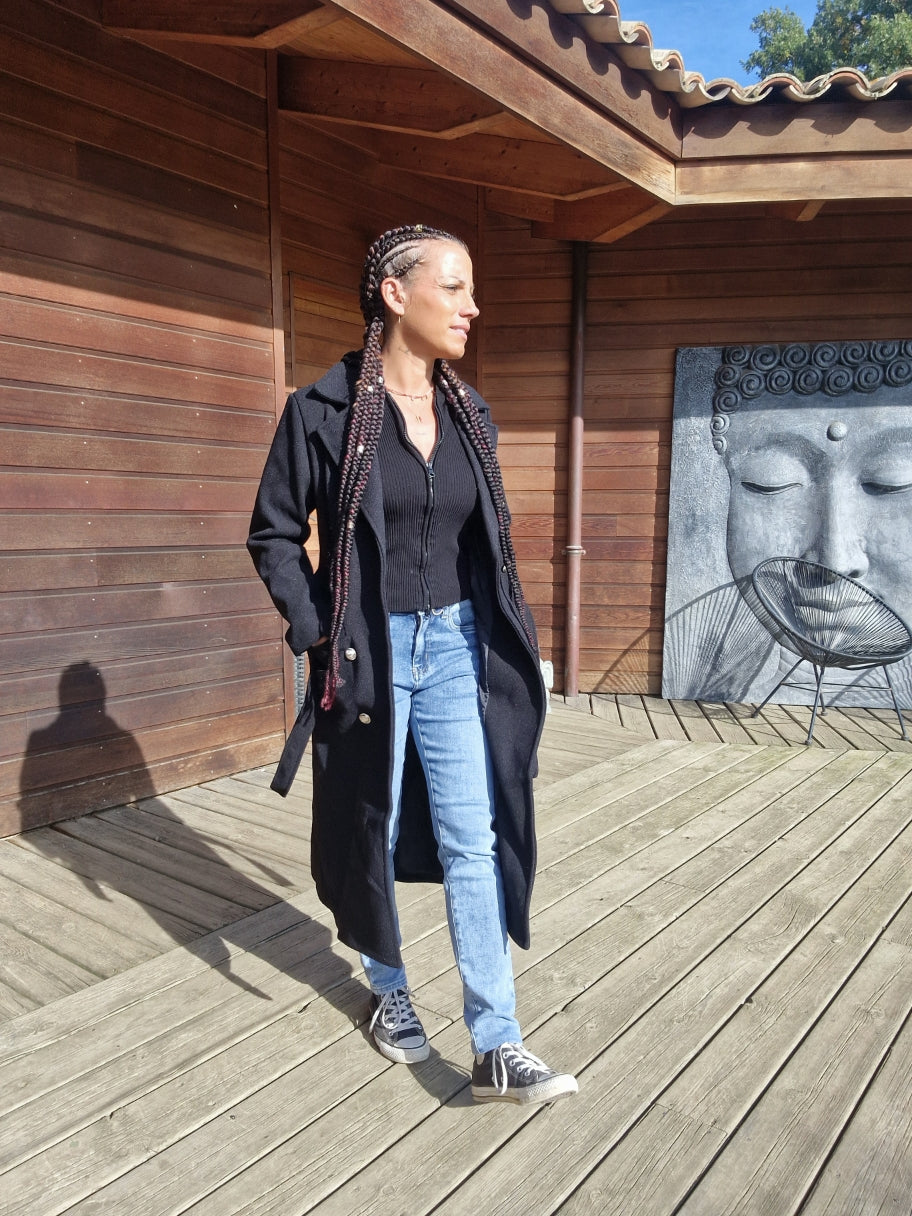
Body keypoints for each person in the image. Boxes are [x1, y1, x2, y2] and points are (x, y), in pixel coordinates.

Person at [247, 224, 578, 1105]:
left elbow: (484, 547)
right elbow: (273, 533)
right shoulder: (321, 413)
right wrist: (319, 631)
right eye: (455, 287)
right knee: (375, 826)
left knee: (475, 836)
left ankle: (497, 1042)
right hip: (370, 650)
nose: (473, 307)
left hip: (459, 648)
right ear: (396, 294)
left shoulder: (471, 417)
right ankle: (388, 988)